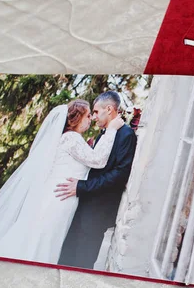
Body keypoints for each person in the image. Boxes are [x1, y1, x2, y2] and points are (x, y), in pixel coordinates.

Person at [0, 100, 125, 264]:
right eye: (88, 115)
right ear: (77, 118)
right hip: (60, 198)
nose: (91, 119)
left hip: (57, 195)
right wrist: (111, 130)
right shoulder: (72, 138)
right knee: (44, 240)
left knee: (39, 237)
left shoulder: (68, 138)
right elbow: (98, 161)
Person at [56, 91, 137, 269]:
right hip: (83, 205)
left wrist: (82, 187)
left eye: (95, 111)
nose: (93, 117)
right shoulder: (105, 134)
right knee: (66, 256)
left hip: (97, 211)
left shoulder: (126, 135)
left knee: (82, 261)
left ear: (109, 109)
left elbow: (119, 175)